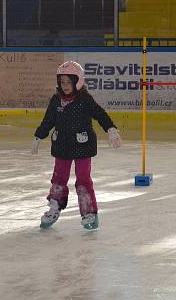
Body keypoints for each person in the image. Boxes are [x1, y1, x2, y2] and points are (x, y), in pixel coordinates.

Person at [32, 61, 121, 230]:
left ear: (77, 82)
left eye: (69, 82)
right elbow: (48, 120)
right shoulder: (56, 99)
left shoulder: (84, 99)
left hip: (83, 145)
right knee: (58, 178)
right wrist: (38, 136)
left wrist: (110, 129)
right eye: (62, 82)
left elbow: (100, 113)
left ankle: (89, 212)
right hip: (62, 145)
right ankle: (54, 207)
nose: (65, 86)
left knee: (83, 179)